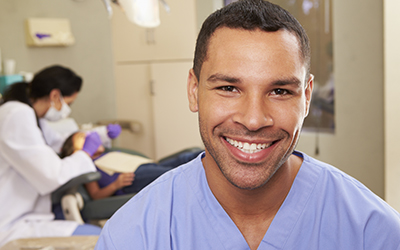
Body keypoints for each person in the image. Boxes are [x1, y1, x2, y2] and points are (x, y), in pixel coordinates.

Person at [95, 1, 400, 249]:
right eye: (228, 88)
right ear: (193, 90)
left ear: (306, 98)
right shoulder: (134, 235)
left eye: (280, 91)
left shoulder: (372, 232)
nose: (254, 119)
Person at [0, 65, 119, 246]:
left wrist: (101, 134)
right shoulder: (17, 115)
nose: (67, 110)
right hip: (12, 223)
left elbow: (59, 142)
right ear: (55, 95)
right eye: (69, 104)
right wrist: (85, 153)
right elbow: (53, 174)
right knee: (97, 239)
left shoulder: (32, 116)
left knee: (99, 237)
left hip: (30, 213)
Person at [60, 131, 203, 200]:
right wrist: (115, 185)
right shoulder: (87, 165)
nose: (90, 138)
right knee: (179, 173)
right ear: (76, 151)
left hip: (146, 166)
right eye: (83, 139)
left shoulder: (107, 153)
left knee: (190, 155)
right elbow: (95, 195)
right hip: (131, 179)